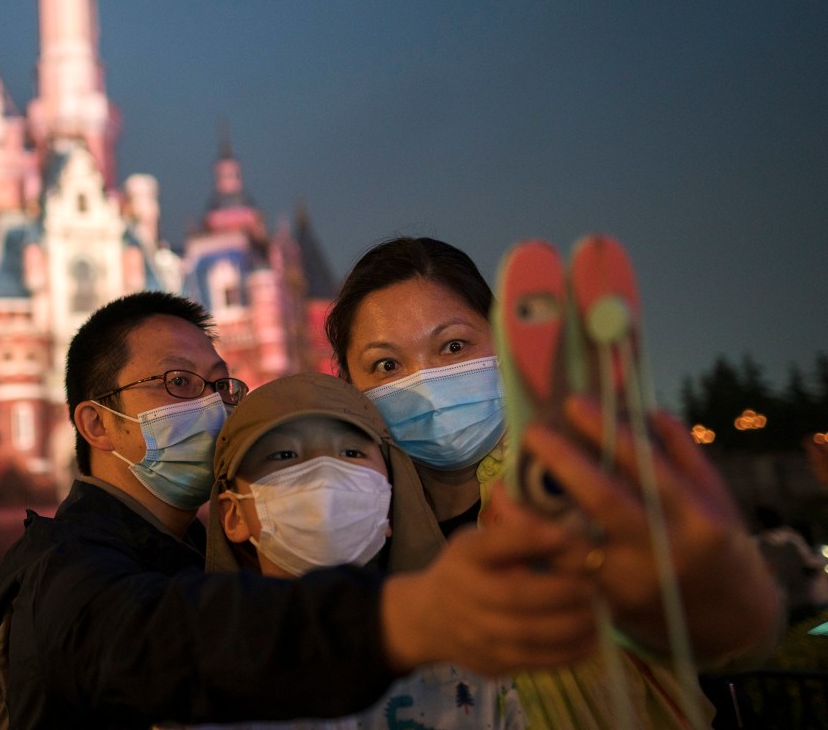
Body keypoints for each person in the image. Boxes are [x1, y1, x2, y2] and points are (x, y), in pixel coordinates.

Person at [0, 291, 603, 730]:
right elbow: (156, 641)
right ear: (97, 423)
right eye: (177, 383)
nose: (211, 406)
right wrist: (405, 617)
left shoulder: (174, 559)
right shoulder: (66, 568)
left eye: (220, 386)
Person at [324, 235, 782, 727]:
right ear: (350, 387)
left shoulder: (585, 486)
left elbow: (729, 643)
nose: (426, 380)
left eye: (453, 346)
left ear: (504, 343)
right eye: (387, 365)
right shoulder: (354, 529)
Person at [204, 370, 525, 730]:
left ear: (388, 503)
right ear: (233, 515)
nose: (324, 474)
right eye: (284, 454)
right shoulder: (199, 677)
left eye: (352, 452)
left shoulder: (473, 662)